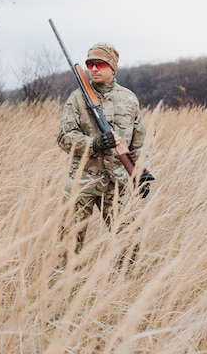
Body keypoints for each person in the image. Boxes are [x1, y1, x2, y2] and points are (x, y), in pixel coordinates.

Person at [57, 42, 153, 256]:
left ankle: (127, 285)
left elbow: (139, 143)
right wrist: (94, 144)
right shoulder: (77, 99)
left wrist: (141, 176)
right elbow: (64, 137)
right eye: (90, 64)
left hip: (117, 182)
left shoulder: (129, 99)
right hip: (82, 182)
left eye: (99, 64)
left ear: (112, 68)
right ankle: (63, 285)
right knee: (68, 244)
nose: (93, 69)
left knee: (128, 242)